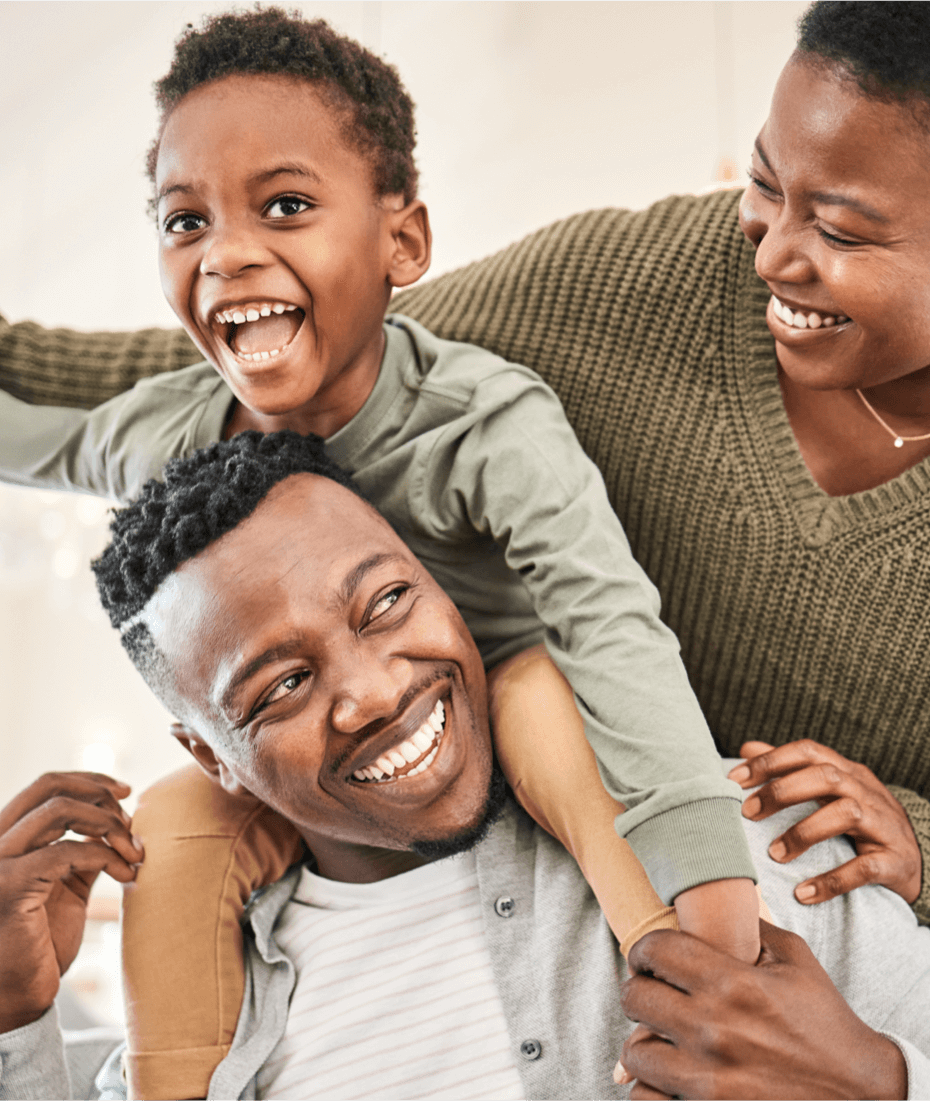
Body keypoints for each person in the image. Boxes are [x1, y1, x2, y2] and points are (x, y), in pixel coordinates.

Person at [1, 0, 930, 979]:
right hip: (473, 874)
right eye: (765, 186)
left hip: (872, 959)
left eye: (843, 231)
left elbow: (606, 622)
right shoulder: (624, 287)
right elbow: (281, 343)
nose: (768, 252)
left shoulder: (486, 428)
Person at [0, 8, 765, 1098]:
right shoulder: (172, 436)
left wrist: (714, 892)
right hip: (331, 779)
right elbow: (42, 437)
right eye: (185, 222)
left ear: (400, 242)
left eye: (285, 206)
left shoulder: (481, 423)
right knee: (172, 819)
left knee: (543, 693)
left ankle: (698, 996)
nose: (226, 253)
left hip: (497, 719)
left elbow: (609, 622)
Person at [0, 431, 930, 1101]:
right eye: (278, 687)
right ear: (207, 757)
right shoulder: (202, 1009)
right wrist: (13, 1013)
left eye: (384, 603)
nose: (373, 693)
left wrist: (876, 1083)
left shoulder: (728, 848)